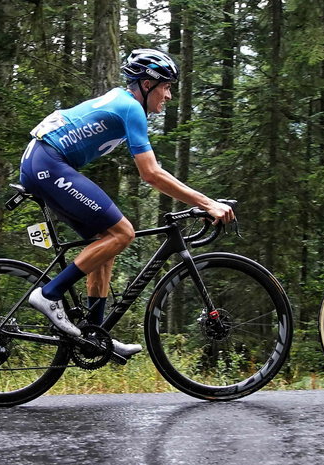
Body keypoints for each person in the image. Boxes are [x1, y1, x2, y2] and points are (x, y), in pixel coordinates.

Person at [19, 48, 234, 357]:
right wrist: (208, 203)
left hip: (42, 161)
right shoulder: (130, 107)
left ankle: (94, 335)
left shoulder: (123, 102)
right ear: (147, 85)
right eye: (166, 87)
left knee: (104, 242)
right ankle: (49, 293)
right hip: (46, 163)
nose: (169, 95)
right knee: (123, 233)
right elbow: (151, 173)